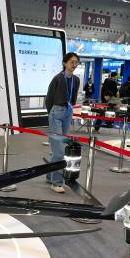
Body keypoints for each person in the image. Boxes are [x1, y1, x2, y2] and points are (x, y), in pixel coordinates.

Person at [44, 52, 81, 193]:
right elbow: (49, 98)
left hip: (68, 112)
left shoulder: (76, 80)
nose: (74, 64)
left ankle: (50, 176)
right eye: (72, 62)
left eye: (76, 62)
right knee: (59, 150)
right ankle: (57, 182)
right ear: (65, 63)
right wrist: (52, 113)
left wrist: (69, 109)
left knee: (60, 148)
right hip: (56, 113)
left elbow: (73, 97)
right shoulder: (58, 78)